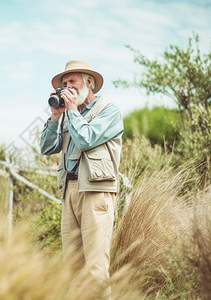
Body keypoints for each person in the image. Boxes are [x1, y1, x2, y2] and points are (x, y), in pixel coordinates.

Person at [40, 60, 123, 299]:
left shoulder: (109, 110)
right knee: (73, 269)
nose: (67, 87)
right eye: (64, 83)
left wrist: (73, 112)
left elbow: (87, 139)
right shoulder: (68, 114)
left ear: (89, 82)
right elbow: (47, 148)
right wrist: (56, 116)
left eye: (72, 82)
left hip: (96, 192)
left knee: (96, 269)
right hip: (70, 191)